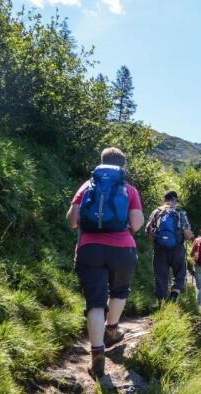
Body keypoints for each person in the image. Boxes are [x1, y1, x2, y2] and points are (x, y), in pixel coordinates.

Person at [66, 147, 144, 378]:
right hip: (122, 249)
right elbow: (137, 223)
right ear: (123, 166)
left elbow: (72, 220)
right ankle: (112, 330)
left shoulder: (87, 186)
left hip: (89, 249)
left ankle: (97, 354)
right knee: (120, 290)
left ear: (101, 162)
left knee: (95, 302)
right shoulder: (129, 189)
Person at [145, 191, 192, 305]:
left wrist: (156, 238)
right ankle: (174, 294)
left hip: (160, 249)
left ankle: (161, 304)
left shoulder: (157, 211)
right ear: (175, 199)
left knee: (160, 275)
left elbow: (148, 230)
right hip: (177, 248)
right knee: (180, 272)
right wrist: (189, 236)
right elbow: (187, 234)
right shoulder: (180, 212)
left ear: (164, 199)